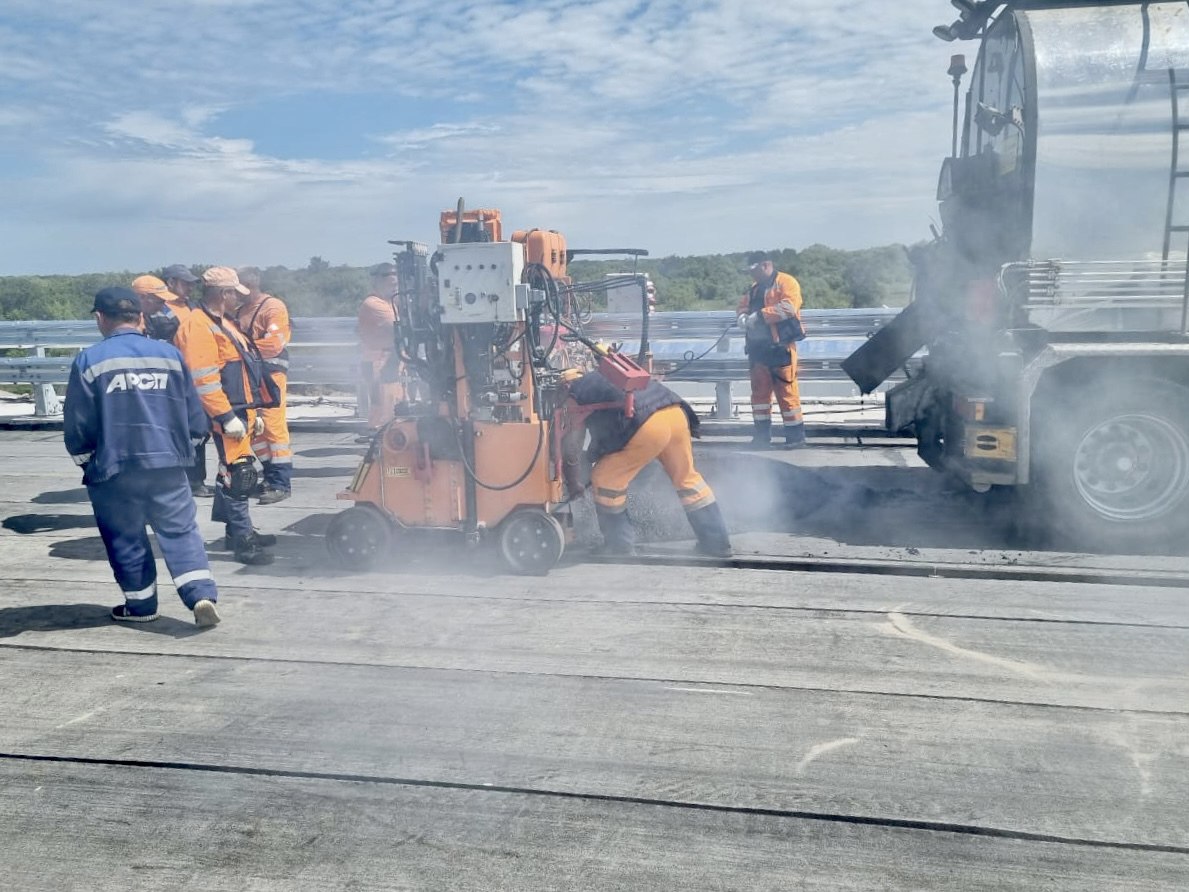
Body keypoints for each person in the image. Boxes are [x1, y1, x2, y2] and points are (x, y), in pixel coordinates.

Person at [63, 287, 221, 627]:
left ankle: (141, 607)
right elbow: (194, 414)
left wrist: (86, 460)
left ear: (100, 318)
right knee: (180, 531)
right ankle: (200, 595)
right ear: (140, 317)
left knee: (126, 536)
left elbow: (79, 423)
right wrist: (189, 450)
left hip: (115, 468)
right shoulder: (170, 356)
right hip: (167, 464)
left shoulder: (89, 360)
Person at [560, 368, 732, 558]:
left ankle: (619, 546)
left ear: (565, 385)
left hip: (648, 425)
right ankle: (717, 543)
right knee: (687, 479)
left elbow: (572, 445)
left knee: (605, 479)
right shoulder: (604, 377)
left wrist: (574, 481)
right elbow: (608, 426)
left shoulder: (574, 395)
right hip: (675, 413)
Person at [174, 267, 276, 565]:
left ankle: (236, 531)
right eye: (236, 294)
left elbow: (241, 373)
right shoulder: (198, 327)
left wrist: (252, 412)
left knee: (232, 473)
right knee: (239, 474)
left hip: (239, 411)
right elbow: (203, 380)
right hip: (224, 414)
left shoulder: (223, 324)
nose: (240, 299)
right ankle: (243, 542)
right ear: (223, 294)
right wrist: (226, 415)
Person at [133, 273, 213, 497]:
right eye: (158, 299)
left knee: (192, 432)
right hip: (150, 387)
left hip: (171, 381)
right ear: (142, 298)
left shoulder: (163, 314)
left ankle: (192, 480)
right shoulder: (133, 322)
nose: (162, 303)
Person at [736, 252, 806, 449]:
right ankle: (761, 438)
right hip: (758, 350)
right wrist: (742, 317)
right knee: (759, 395)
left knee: (787, 394)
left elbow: (789, 307)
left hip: (780, 347)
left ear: (766, 265)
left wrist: (759, 316)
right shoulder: (754, 289)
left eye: (755, 271)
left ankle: (795, 438)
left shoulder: (786, 282)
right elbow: (742, 306)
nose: (753, 276)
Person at [235, 267, 293, 504]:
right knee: (254, 428)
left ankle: (281, 483)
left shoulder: (273, 307)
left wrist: (239, 348)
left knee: (273, 427)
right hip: (250, 376)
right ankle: (270, 475)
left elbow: (274, 344)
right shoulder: (240, 311)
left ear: (252, 285)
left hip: (271, 377)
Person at [357, 262, 403, 429]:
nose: (394, 288)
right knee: (384, 403)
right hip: (378, 360)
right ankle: (379, 435)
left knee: (391, 401)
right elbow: (399, 329)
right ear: (377, 282)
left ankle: (383, 432)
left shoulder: (389, 302)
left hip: (388, 358)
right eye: (391, 284)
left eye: (396, 284)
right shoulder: (374, 304)